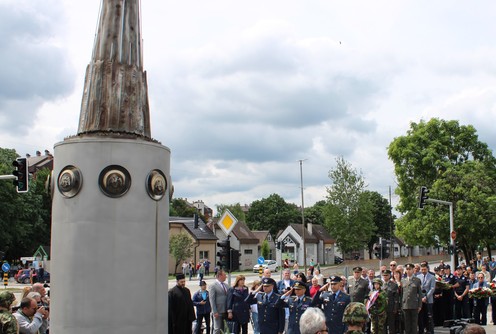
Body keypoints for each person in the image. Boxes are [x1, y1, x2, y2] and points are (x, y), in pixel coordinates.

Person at [401, 263, 422, 334]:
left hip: (414, 305)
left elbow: (420, 293)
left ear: (413, 270)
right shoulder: (403, 280)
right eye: (407, 269)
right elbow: (401, 294)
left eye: (410, 269)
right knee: (407, 324)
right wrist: (401, 305)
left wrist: (419, 305)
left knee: (414, 324)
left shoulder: (417, 280)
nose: (408, 271)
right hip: (405, 305)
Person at [210, 269, 229, 334]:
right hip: (218, 311)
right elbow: (212, 299)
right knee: (217, 329)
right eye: (224, 275)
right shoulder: (213, 286)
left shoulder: (226, 285)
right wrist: (214, 311)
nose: (226, 276)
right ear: (220, 276)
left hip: (225, 310)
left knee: (224, 329)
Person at [418, 263, 435, 334]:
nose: (423, 271)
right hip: (420, 300)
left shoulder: (432, 277)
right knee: (421, 316)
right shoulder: (418, 276)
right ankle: (421, 330)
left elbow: (432, 288)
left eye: (425, 269)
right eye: (422, 269)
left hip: (428, 299)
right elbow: (418, 288)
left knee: (429, 316)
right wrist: (421, 297)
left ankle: (430, 330)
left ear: (427, 269)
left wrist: (426, 297)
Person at [381, 269, 398, 334]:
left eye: (386, 275)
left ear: (389, 276)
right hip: (382, 308)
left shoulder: (393, 285)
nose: (385, 276)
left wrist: (395, 308)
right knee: (383, 325)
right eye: (384, 275)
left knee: (391, 325)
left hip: (391, 308)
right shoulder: (380, 285)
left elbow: (396, 298)